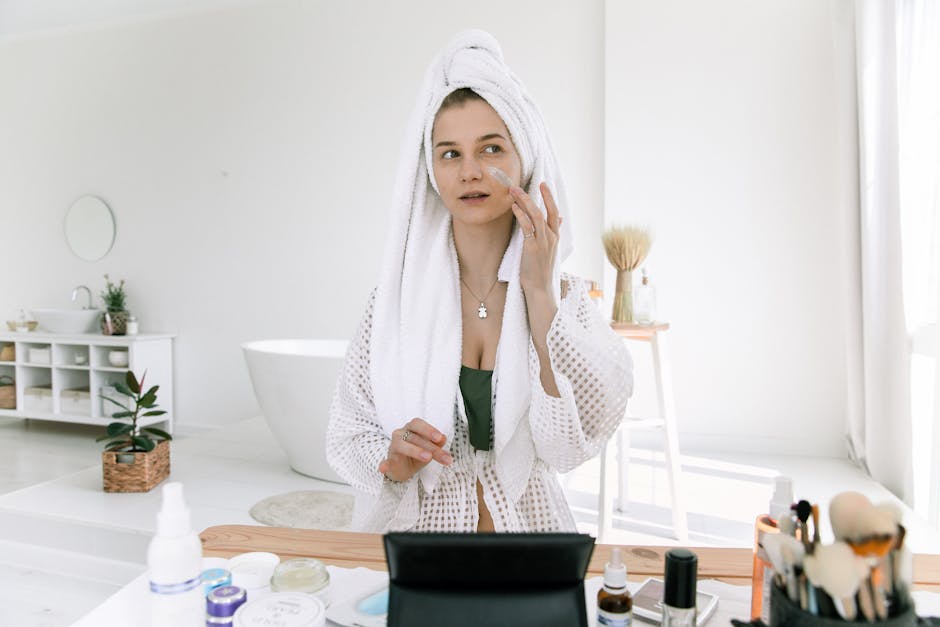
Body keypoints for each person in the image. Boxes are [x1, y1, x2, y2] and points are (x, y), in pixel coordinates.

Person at [326, 30, 632, 533]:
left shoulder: (565, 301)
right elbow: (346, 434)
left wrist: (539, 294)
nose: (469, 171)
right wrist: (392, 458)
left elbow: (566, 448)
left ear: (523, 160)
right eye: (450, 153)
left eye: (490, 149)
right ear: (430, 169)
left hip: (529, 538)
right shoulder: (394, 305)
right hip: (416, 543)